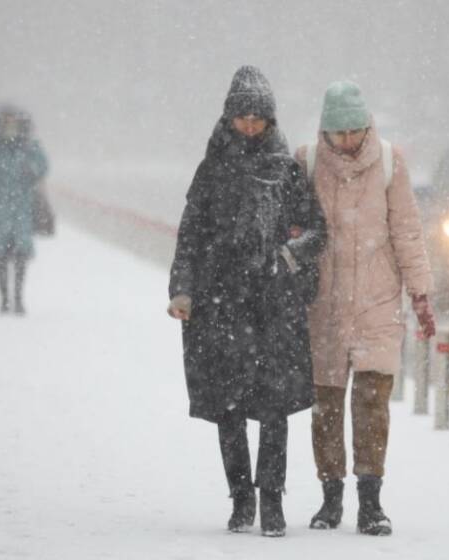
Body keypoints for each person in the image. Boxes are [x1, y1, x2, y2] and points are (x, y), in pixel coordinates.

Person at [167, 66, 326, 537]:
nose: (252, 125)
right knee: (230, 406)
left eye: (260, 117)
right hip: (220, 305)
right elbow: (190, 234)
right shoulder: (211, 169)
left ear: (272, 120)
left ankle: (271, 499)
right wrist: (183, 289)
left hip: (273, 303)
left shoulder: (287, 171)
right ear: (229, 118)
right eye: (243, 117)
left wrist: (287, 254)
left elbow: (317, 230)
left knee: (274, 406)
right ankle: (240, 497)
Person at [296, 81, 435, 536]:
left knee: (373, 403)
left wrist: (420, 293)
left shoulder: (391, 163)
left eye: (356, 131)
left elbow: (407, 231)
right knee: (326, 404)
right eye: (339, 134)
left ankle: (371, 502)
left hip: (377, 302)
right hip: (325, 304)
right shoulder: (307, 162)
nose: (349, 141)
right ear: (325, 133)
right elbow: (295, 230)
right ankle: (329, 498)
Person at [0, 105, 49, 314]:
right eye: (7, 124)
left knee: (21, 255)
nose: (10, 128)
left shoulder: (30, 147)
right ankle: (4, 298)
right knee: (2, 256)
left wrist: (32, 169)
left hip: (22, 206)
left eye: (14, 124)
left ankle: (19, 298)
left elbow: (43, 167)